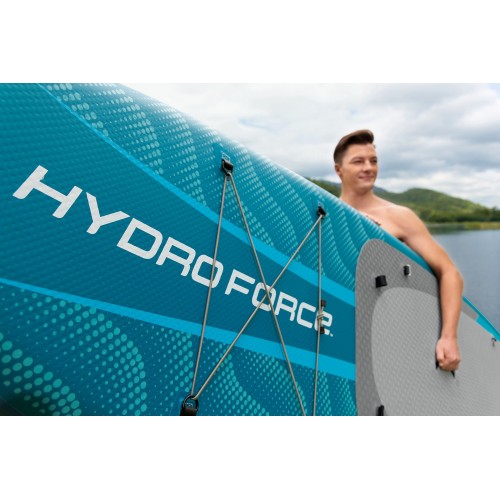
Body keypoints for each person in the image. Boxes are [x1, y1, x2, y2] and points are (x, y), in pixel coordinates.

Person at [333, 129, 462, 372]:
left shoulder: (400, 217)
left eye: (373, 161)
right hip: (336, 327)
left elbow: (449, 272)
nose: (368, 168)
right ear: (338, 170)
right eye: (358, 161)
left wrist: (449, 337)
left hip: (387, 335)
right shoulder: (324, 215)